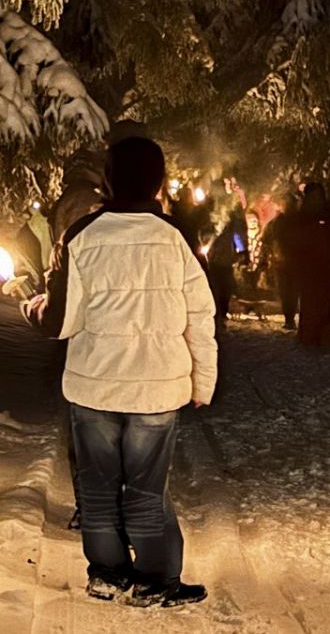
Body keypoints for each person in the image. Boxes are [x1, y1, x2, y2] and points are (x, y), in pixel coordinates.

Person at [21, 136, 216, 607]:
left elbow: (64, 320)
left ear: (108, 178)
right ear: (158, 181)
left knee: (98, 485)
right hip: (157, 388)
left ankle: (107, 574)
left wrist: (35, 305)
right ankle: (155, 580)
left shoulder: (83, 234)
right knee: (148, 489)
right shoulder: (178, 236)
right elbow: (199, 315)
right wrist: (203, 381)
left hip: (94, 385)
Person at [287, 182, 330, 347]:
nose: (316, 199)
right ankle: (308, 335)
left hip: (327, 265)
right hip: (308, 266)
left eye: (318, 196)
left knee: (326, 302)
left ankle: (324, 335)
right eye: (313, 196)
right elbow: (295, 239)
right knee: (309, 302)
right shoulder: (303, 215)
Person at [261, 189, 301, 329]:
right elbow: (266, 238)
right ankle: (289, 318)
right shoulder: (278, 222)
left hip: (294, 260)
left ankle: (290, 317)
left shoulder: (298, 221)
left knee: (292, 290)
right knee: (286, 290)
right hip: (282, 261)